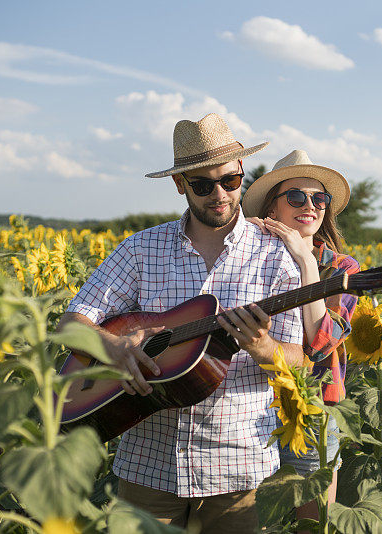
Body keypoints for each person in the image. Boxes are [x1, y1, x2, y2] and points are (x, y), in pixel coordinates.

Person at [58, 113, 305, 531]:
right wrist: (114, 348)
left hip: (237, 467)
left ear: (243, 173)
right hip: (148, 467)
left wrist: (263, 348)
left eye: (230, 180)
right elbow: (70, 324)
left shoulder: (275, 256)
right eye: (203, 185)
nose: (220, 194)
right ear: (180, 184)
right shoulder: (141, 248)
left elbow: (298, 360)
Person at [242, 150, 360, 523]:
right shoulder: (248, 256)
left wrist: (308, 262)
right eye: (296, 197)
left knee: (312, 526)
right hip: (248, 407)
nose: (309, 205)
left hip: (312, 410)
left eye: (318, 198)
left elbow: (322, 342)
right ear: (272, 209)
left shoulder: (341, 268)